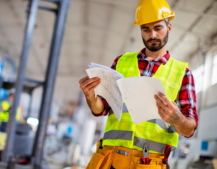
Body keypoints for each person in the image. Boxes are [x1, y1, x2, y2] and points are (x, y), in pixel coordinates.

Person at [79, 0, 198, 168]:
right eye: (146, 29)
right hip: (110, 160)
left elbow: (189, 129)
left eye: (158, 28)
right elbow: (102, 108)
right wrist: (91, 97)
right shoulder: (121, 62)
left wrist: (178, 120)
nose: (152, 35)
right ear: (141, 30)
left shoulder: (182, 74)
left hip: (147, 163)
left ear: (169, 28)